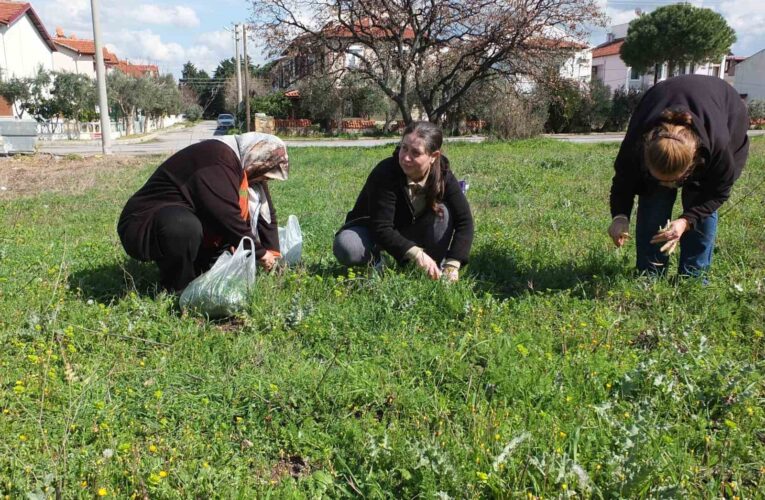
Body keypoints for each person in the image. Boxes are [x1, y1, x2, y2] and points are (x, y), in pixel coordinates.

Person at [607, 75, 749, 276]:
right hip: (660, 99)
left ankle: (693, 276)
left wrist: (686, 221)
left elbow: (716, 193)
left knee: (699, 199)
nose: (668, 186)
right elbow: (624, 181)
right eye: (660, 179)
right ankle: (650, 273)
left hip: (725, 111)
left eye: (674, 180)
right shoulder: (636, 143)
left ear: (693, 163)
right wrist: (620, 216)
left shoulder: (719, 148)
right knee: (653, 196)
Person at [118, 132, 289, 291]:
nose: (264, 180)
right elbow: (225, 216)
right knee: (182, 226)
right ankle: (178, 288)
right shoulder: (217, 158)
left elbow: (267, 216)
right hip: (143, 225)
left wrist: (272, 253)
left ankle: (196, 272)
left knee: (216, 272)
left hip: (189, 219)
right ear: (258, 159)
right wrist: (260, 253)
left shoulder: (243, 165)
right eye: (265, 175)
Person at [333, 121, 474, 281]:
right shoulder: (386, 172)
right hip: (373, 231)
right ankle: (378, 263)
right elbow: (381, 227)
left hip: (411, 230)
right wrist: (416, 253)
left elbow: (465, 221)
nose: (406, 157)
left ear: (433, 156)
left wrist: (453, 264)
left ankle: (432, 267)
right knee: (347, 245)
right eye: (404, 148)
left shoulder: (443, 175)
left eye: (415, 153)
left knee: (444, 212)